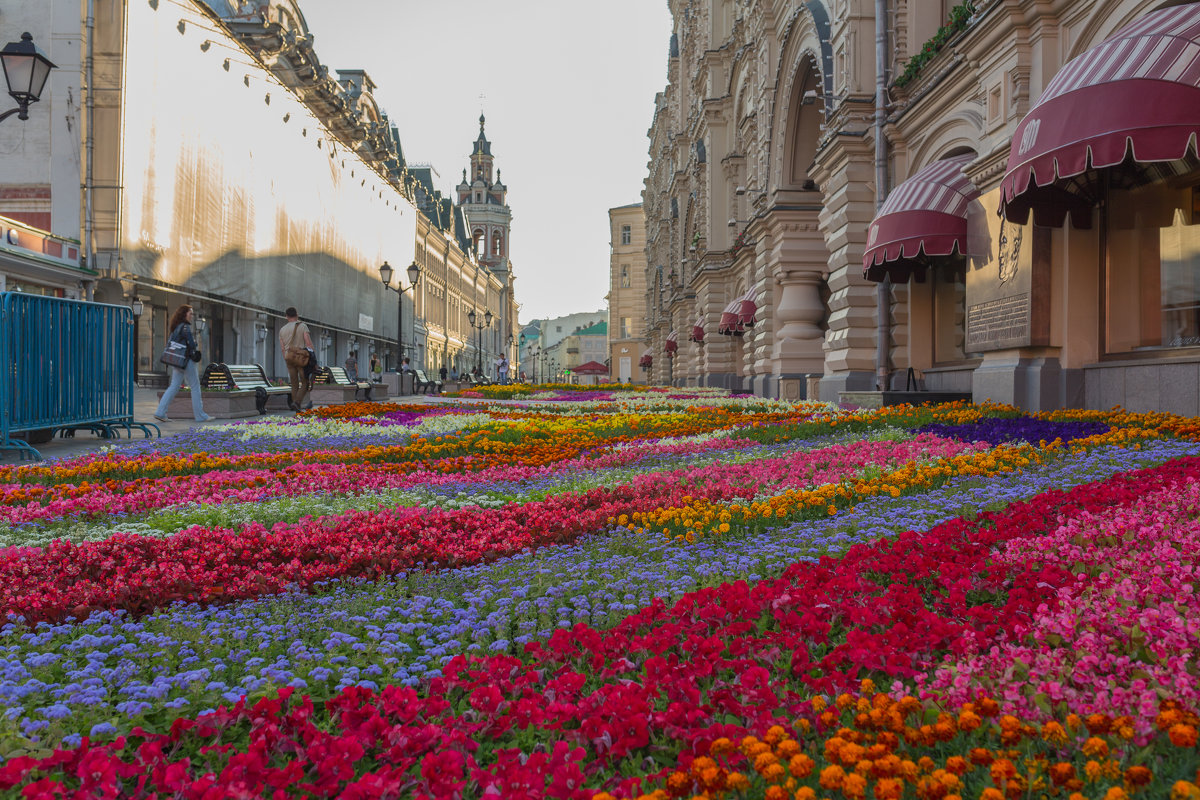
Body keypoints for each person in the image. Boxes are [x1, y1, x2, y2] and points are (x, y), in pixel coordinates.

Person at [154, 304, 212, 423]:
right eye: (190, 313)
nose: (192, 316)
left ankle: (160, 412)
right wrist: (195, 346)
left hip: (177, 361)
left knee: (174, 386)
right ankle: (200, 416)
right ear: (184, 314)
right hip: (186, 361)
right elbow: (191, 345)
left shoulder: (176, 327)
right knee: (195, 386)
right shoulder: (185, 327)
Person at [279, 307, 314, 411]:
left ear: (286, 316)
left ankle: (296, 407)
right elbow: (308, 343)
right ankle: (297, 402)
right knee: (305, 382)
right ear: (297, 315)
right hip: (301, 358)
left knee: (294, 383)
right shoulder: (302, 326)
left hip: (289, 358)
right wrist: (312, 355)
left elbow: (282, 348)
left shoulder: (282, 330)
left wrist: (286, 358)